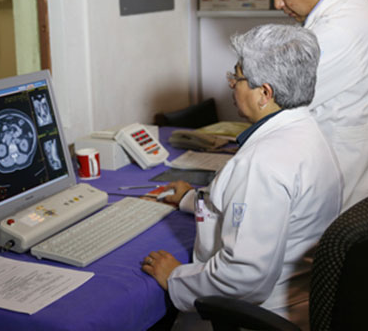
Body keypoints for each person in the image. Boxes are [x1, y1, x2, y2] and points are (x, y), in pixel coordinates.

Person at [142, 24, 342, 330]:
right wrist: (192, 199)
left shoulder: (262, 163)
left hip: (257, 318)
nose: (231, 85)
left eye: (237, 77)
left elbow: (244, 276)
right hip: (303, 300)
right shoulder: (308, 134)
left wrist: (175, 278)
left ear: (265, 93)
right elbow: (260, 207)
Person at [250, 0, 368, 212]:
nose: (277, 4)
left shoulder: (340, 28)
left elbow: (274, 102)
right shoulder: (349, 1)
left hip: (338, 180)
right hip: (336, 167)